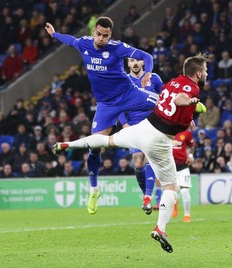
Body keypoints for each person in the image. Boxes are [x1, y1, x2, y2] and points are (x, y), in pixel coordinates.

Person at [53, 53, 208, 253]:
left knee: (108, 140)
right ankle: (160, 229)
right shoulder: (192, 88)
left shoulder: (172, 81)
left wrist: (188, 118)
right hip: (160, 139)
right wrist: (190, 102)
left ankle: (69, 144)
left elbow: (168, 99)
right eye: (205, 71)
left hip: (143, 127)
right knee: (171, 188)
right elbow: (179, 99)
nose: (206, 74)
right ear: (197, 73)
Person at [45, 16, 155, 215]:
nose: (101, 38)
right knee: (95, 147)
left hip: (129, 95)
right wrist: (54, 34)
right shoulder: (85, 43)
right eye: (99, 34)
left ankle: (192, 105)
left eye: (105, 35)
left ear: (110, 35)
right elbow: (70, 40)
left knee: (162, 102)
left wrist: (148, 73)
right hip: (105, 105)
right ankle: (94, 190)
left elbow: (146, 56)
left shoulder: (117, 47)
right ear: (94, 31)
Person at [118, 57, 163, 215]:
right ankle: (146, 194)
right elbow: (118, 104)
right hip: (134, 126)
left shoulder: (154, 78)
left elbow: (165, 99)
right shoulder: (124, 81)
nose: (135, 63)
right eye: (131, 61)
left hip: (152, 124)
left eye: (138, 60)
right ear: (128, 64)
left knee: (151, 160)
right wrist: (125, 124)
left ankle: (148, 198)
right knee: (138, 164)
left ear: (143, 63)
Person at [171, 129, 195, 223]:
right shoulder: (166, 130)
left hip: (183, 166)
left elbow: (192, 146)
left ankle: (187, 215)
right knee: (171, 192)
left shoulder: (186, 132)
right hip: (170, 167)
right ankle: (174, 206)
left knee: (184, 191)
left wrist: (191, 156)